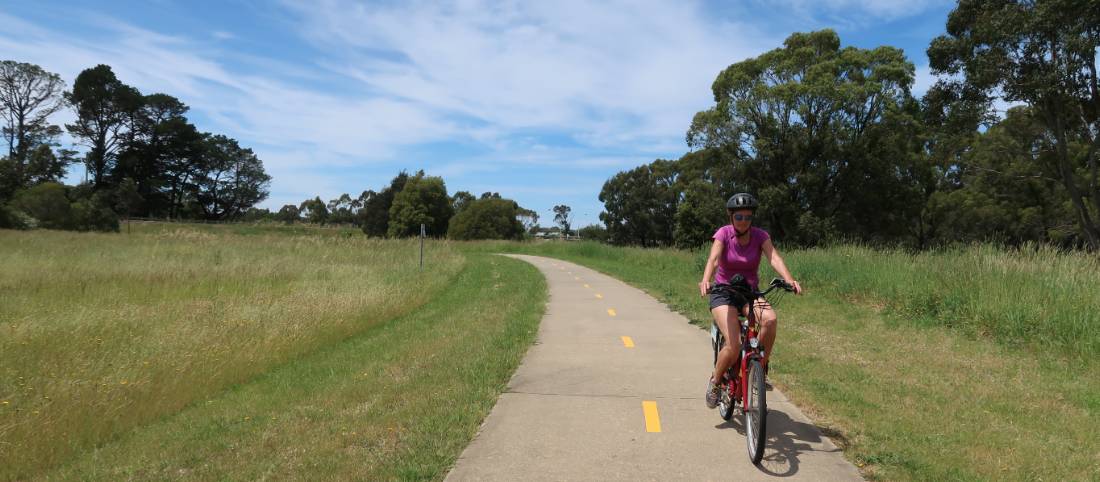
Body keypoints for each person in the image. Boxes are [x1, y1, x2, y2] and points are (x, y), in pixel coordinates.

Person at [698, 193, 802, 409]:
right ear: (731, 217)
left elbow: (774, 257)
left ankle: (759, 370)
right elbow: (714, 258)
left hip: (749, 292)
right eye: (739, 217)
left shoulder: (760, 235)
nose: (743, 221)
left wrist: (789, 279)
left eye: (747, 217)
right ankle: (716, 381)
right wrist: (706, 279)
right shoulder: (724, 234)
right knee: (734, 345)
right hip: (723, 292)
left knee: (770, 320)